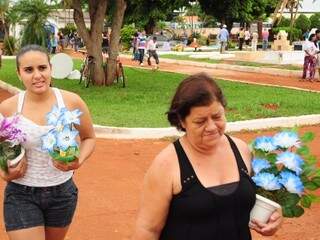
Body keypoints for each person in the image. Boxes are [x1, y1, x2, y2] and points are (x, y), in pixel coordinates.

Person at [132, 73, 282, 240]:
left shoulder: (241, 150)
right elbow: (147, 229)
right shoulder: (167, 165)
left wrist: (273, 217)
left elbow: (247, 201)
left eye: (217, 117)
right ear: (182, 121)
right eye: (200, 121)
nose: (211, 127)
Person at [0, 44, 96, 240]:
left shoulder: (71, 102)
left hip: (62, 193)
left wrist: (79, 160)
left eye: (42, 68)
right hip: (21, 193)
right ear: (19, 74)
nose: (37, 75)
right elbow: (1, 147)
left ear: (51, 68)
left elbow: (89, 138)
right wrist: (3, 170)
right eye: (29, 70)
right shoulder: (8, 108)